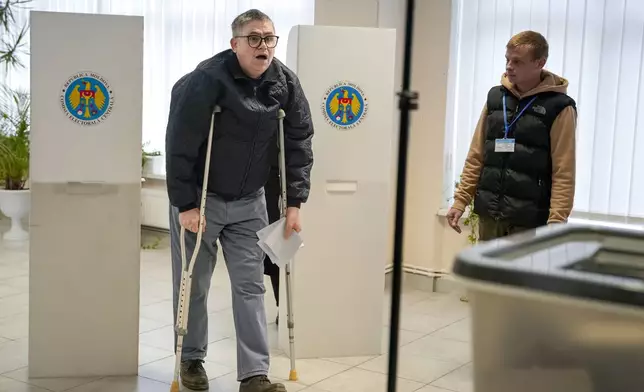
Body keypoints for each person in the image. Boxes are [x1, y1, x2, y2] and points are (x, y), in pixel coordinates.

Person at [165, 8, 314, 392]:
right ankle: (191, 359)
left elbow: (298, 143)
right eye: (254, 38)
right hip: (201, 199)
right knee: (194, 282)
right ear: (235, 44)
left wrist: (294, 203)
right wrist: (186, 204)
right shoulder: (207, 81)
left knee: (251, 285)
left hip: (250, 201)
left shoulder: (285, 83)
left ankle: (254, 375)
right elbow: (179, 144)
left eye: (269, 37)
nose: (263, 46)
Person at [447, 30, 577, 241]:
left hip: (529, 219)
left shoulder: (559, 106)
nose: (509, 66)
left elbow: (564, 170)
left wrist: (557, 221)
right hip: (490, 213)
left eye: (517, 61)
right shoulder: (496, 97)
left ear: (539, 63)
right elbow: (477, 154)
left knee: (520, 275)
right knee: (485, 274)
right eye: (507, 59)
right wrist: (461, 200)